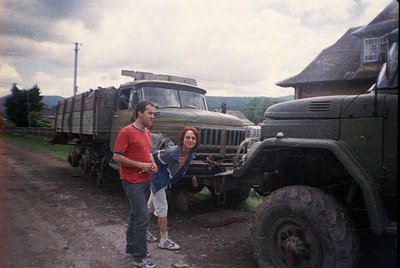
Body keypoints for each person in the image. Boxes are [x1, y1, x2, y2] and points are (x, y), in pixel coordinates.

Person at [113, 101, 158, 268]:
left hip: (145, 180)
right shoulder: (126, 132)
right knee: (142, 216)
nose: (152, 116)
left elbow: (148, 153)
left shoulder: (147, 133)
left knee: (135, 215)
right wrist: (140, 165)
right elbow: (117, 157)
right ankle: (140, 257)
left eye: (153, 113)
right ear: (140, 113)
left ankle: (130, 248)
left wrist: (152, 163)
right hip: (131, 181)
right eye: (150, 113)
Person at [147, 126, 200, 250]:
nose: (190, 140)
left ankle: (141, 230)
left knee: (150, 206)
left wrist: (193, 177)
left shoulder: (189, 155)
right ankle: (164, 240)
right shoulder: (172, 152)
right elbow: (152, 156)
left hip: (164, 180)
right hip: (158, 179)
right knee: (163, 208)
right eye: (187, 137)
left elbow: (182, 169)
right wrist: (153, 170)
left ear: (196, 141)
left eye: (193, 138)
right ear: (182, 139)